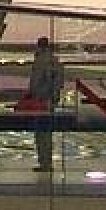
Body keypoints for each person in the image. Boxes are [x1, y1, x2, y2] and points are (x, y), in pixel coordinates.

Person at [22, 35, 66, 173]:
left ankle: (44, 163)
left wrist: (32, 94)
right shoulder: (55, 60)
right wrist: (54, 97)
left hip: (41, 100)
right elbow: (58, 82)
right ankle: (47, 162)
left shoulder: (40, 60)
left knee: (41, 134)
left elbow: (36, 82)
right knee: (47, 133)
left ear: (39, 46)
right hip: (50, 100)